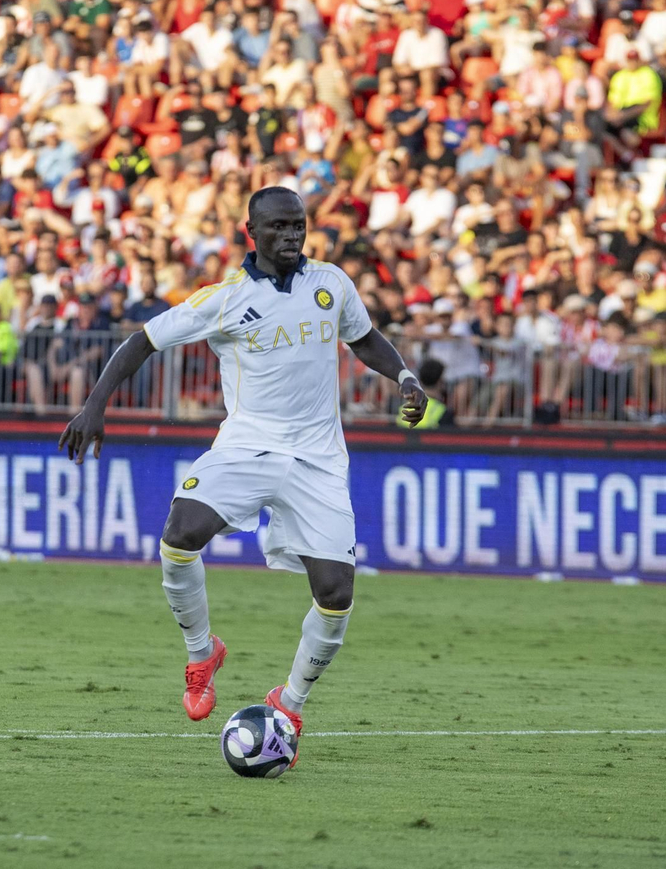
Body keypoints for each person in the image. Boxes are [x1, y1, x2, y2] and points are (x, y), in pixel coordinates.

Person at [58, 187, 427, 767]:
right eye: (279, 227)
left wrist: (404, 376)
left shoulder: (330, 283)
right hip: (247, 447)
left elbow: (364, 339)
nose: (291, 236)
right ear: (250, 231)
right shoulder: (223, 299)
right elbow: (141, 341)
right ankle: (203, 653)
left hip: (318, 460)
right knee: (180, 534)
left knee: (336, 595)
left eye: (298, 225)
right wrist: (94, 406)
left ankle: (291, 702)